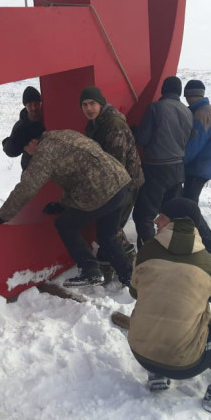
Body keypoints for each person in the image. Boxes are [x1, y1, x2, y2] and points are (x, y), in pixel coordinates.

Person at [126, 199, 211, 413]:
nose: (156, 220)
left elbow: (135, 292)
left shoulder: (146, 252)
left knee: (157, 300)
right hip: (183, 364)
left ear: (174, 221)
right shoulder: (207, 265)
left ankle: (157, 374)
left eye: (162, 215)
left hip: (140, 352)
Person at [0, 123, 134, 287]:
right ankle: (130, 278)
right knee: (107, 236)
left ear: (32, 142)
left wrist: (2, 215)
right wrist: (63, 204)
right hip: (121, 184)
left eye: (25, 147)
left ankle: (90, 270)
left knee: (65, 224)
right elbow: (76, 174)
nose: (26, 152)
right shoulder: (62, 134)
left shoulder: (45, 152)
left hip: (102, 191)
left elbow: (28, 186)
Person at [79, 86, 144, 279]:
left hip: (125, 183)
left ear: (101, 103)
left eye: (92, 103)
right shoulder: (93, 124)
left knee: (111, 229)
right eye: (84, 105)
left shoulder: (113, 125)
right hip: (111, 183)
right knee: (110, 228)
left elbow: (116, 165)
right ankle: (111, 263)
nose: (89, 108)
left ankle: (129, 269)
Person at [132, 76, 193, 248]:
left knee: (144, 215)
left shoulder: (156, 108)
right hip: (178, 168)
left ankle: (152, 253)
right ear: (179, 92)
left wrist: (132, 130)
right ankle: (173, 248)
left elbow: (142, 139)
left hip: (156, 169)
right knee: (170, 214)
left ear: (163, 90)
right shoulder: (187, 112)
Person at [183, 80, 211, 204]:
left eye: (186, 96)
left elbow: (193, 146)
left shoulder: (201, 114)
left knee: (188, 204)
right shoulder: (208, 110)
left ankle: (190, 223)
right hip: (205, 166)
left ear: (190, 96)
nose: (186, 100)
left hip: (198, 167)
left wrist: (179, 162)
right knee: (189, 201)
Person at [2, 86, 45, 170]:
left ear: (41, 103)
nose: (34, 108)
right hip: (31, 169)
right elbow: (11, 151)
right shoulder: (21, 127)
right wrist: (25, 147)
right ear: (25, 106)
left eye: (36, 103)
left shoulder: (50, 117)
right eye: (30, 105)